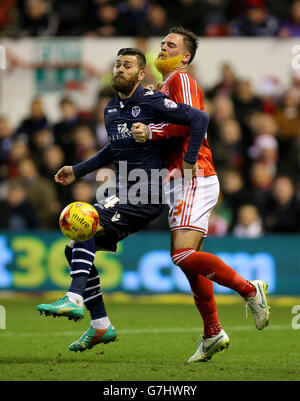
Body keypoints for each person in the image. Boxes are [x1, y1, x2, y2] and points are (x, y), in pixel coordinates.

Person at [36, 47, 210, 353]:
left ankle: (75, 298)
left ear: (141, 74)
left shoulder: (152, 101)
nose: (120, 69)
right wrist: (77, 170)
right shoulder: (111, 109)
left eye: (127, 65)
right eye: (117, 64)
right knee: (74, 245)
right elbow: (113, 150)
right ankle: (101, 325)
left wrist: (190, 159)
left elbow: (198, 118)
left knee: (85, 221)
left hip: (147, 192)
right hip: (124, 191)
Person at [131, 26, 270, 363]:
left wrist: (152, 129)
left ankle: (251, 290)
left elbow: (194, 122)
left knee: (181, 256)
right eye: (162, 43)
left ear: (186, 56)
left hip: (194, 174)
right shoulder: (165, 86)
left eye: (171, 45)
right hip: (179, 178)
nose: (163, 48)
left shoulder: (182, 80)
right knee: (190, 263)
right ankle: (212, 332)